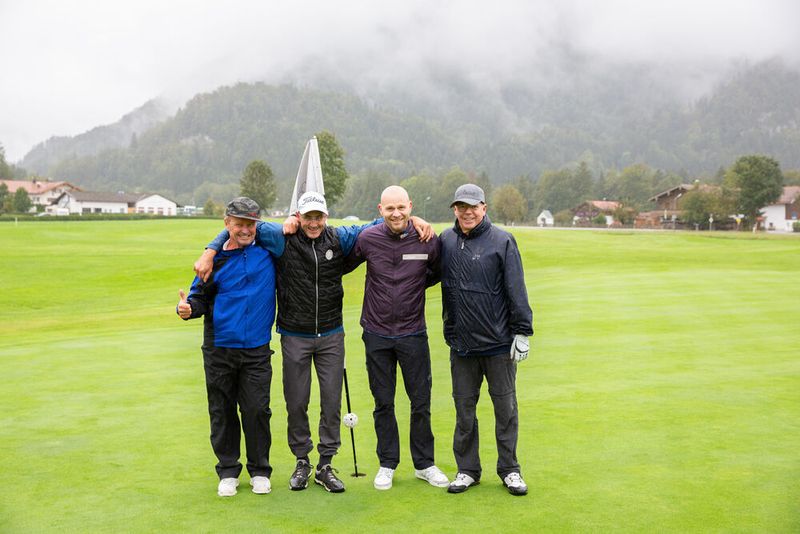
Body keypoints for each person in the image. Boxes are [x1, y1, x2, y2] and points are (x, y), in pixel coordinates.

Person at [194, 191, 433, 493]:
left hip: (332, 334)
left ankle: (325, 465)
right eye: (308, 217)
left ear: (326, 217)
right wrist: (210, 250)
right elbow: (242, 225)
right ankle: (302, 461)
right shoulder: (282, 237)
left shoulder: (339, 238)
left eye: (318, 216)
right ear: (298, 217)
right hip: (294, 334)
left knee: (331, 403)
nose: (313, 222)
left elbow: (383, 221)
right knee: (297, 403)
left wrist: (413, 218)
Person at [344, 185, 449, 491]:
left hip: (413, 332)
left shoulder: (427, 239)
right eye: (390, 208)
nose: (396, 213)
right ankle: (387, 464)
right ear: (380, 210)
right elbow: (341, 264)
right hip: (376, 333)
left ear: (410, 207)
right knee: (383, 402)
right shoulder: (368, 239)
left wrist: (414, 287)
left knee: (420, 401)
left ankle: (425, 464)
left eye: (401, 208)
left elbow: (438, 272)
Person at [176, 197, 280, 497]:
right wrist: (187, 309)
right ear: (227, 224)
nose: (245, 230)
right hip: (220, 348)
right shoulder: (216, 260)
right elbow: (199, 298)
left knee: (257, 410)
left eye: (250, 224)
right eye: (239, 224)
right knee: (222, 410)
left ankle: (260, 470)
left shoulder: (269, 252)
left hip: (257, 349)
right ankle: (228, 470)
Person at [439, 184, 533, 496]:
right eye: (461, 207)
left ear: (484, 207)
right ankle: (467, 470)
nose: (467, 212)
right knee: (464, 412)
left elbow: (515, 288)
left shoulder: (502, 241)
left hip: (498, 346)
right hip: (462, 345)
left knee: (505, 410)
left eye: (473, 206)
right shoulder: (447, 241)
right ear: (454, 209)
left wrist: (522, 331)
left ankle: (510, 470)